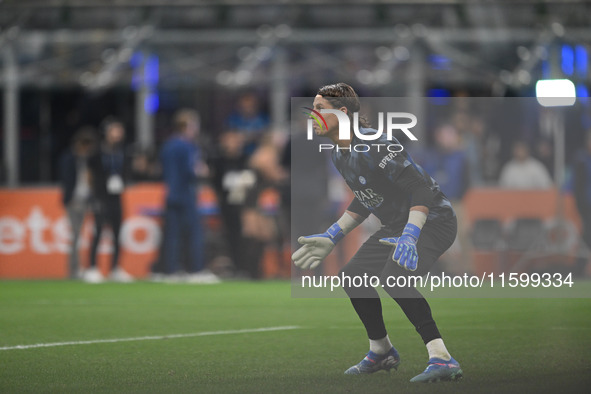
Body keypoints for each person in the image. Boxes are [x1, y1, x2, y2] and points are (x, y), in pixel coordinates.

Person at [292, 83, 462, 382]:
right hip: (398, 224)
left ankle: (442, 358)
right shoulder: (340, 154)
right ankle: (381, 351)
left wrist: (411, 234)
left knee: (395, 278)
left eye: (320, 109)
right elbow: (366, 197)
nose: (313, 115)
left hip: (433, 219)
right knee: (351, 276)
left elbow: (419, 189)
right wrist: (332, 235)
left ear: (343, 114)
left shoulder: (376, 144)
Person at [159, 109, 219, 284]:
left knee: (172, 235)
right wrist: (202, 170)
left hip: (170, 194)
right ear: (188, 126)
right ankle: (196, 269)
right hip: (186, 194)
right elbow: (191, 170)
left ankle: (170, 271)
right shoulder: (188, 146)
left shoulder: (167, 145)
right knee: (194, 233)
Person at [85, 118, 134, 284]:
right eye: (115, 130)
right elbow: (90, 175)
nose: (118, 134)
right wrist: (93, 195)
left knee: (117, 233)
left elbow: (127, 171)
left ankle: (115, 269)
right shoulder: (97, 152)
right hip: (101, 197)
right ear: (107, 132)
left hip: (116, 196)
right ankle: (92, 268)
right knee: (98, 232)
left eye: (120, 130)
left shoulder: (123, 152)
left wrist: (123, 182)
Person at [59, 128, 97, 279]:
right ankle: (74, 270)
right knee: (75, 235)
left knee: (89, 235)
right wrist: (70, 199)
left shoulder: (90, 160)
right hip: (74, 201)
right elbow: (66, 180)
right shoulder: (69, 159)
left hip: (88, 200)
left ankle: (88, 268)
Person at [573, 131, 591, 277]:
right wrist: (580, 207)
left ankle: (579, 268)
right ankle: (579, 268)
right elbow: (577, 186)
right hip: (587, 205)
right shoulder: (581, 160)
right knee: (587, 236)